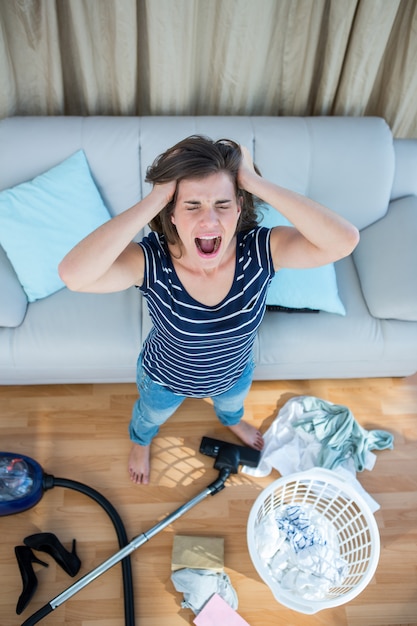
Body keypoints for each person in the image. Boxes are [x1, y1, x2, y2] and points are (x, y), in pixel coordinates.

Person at [59, 136, 359, 485]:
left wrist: (253, 181)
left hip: (234, 373)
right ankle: (140, 443)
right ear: (171, 213)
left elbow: (344, 240)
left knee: (232, 408)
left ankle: (231, 421)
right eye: (192, 206)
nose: (209, 220)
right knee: (148, 418)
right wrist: (157, 197)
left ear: (238, 207)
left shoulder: (261, 249)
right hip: (164, 379)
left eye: (221, 203)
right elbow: (74, 275)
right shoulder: (152, 261)